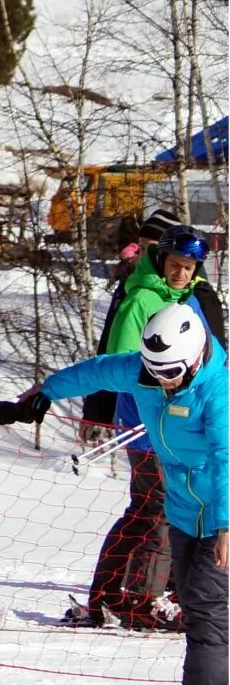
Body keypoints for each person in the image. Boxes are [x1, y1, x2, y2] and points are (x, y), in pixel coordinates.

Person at [2, 305, 227, 685]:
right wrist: (46, 391)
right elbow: (96, 372)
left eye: (172, 372)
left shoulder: (219, 391)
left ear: (196, 356)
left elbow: (224, 460)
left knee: (205, 603)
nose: (163, 381)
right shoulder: (144, 372)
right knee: (202, 604)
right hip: (182, 507)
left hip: (222, 506)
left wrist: (225, 526)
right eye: (155, 371)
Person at [71, 223, 213, 628]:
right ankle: (137, 597)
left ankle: (114, 594)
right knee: (157, 510)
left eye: (190, 266)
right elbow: (118, 366)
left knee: (158, 510)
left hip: (182, 426)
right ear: (161, 260)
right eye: (176, 264)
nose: (182, 273)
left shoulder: (186, 300)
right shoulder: (142, 300)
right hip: (147, 424)